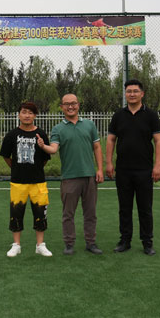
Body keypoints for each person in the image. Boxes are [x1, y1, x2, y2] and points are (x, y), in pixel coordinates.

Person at [37, 94, 104, 256]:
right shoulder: (58, 129)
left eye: (73, 103)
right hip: (69, 178)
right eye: (66, 104)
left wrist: (100, 169)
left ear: (78, 105)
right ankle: (69, 244)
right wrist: (43, 146)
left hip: (89, 176)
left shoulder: (89, 125)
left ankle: (91, 242)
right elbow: (53, 149)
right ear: (62, 107)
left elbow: (97, 147)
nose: (70, 106)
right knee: (68, 214)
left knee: (90, 213)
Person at [106, 79, 160, 256]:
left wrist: (158, 166)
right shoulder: (118, 115)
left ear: (142, 94)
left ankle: (147, 243)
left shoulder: (151, 115)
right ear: (125, 94)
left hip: (144, 170)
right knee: (124, 208)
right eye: (129, 91)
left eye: (135, 91)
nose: (132, 94)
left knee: (145, 208)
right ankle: (125, 241)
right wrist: (109, 163)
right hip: (123, 170)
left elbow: (158, 140)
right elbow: (111, 140)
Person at [0, 102, 53, 257]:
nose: (27, 115)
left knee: (40, 213)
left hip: (38, 182)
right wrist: (16, 168)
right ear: (19, 115)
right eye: (24, 112)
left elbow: (45, 158)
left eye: (30, 112)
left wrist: (35, 168)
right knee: (16, 214)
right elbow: (6, 156)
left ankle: (40, 245)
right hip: (18, 182)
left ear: (35, 115)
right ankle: (16, 245)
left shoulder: (41, 134)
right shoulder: (12, 135)